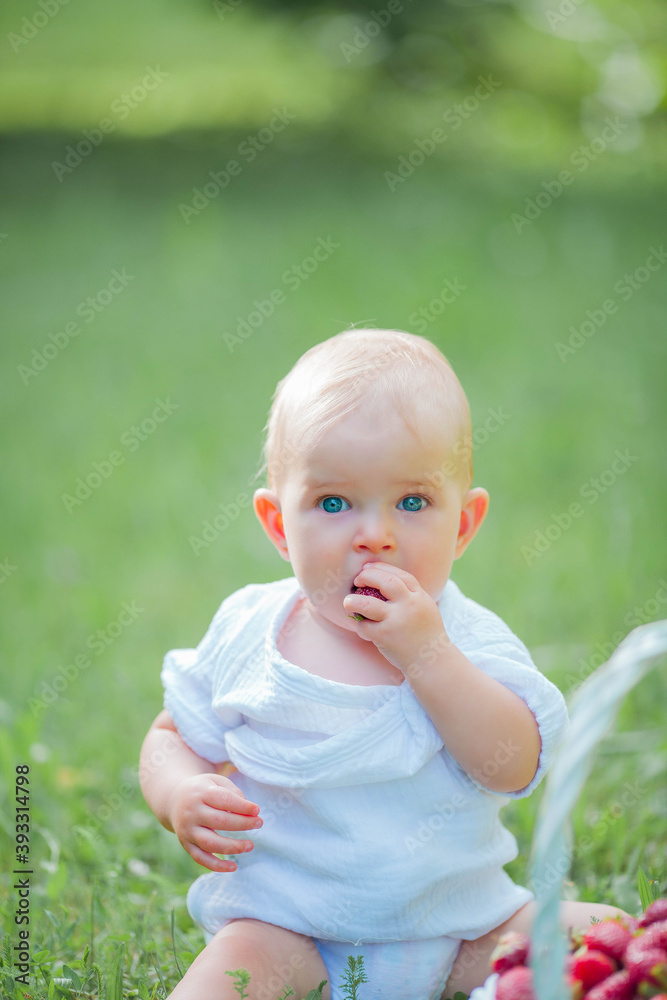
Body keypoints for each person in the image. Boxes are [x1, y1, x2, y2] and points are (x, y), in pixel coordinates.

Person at [140, 329, 624, 1000]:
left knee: (609, 935)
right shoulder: (250, 631)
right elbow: (170, 737)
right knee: (225, 977)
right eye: (333, 503)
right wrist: (178, 793)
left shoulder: (469, 641)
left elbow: (511, 764)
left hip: (463, 927)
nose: (375, 533)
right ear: (280, 526)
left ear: (462, 524)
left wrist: (428, 656)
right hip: (285, 928)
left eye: (413, 502)